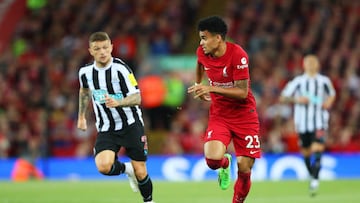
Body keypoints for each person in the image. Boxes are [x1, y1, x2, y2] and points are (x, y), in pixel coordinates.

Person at [187, 16, 261, 203]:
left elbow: (243, 92)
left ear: (218, 38)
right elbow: (199, 63)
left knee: (244, 168)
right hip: (220, 114)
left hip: (244, 115)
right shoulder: (202, 52)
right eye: (200, 38)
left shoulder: (238, 55)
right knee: (212, 160)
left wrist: (211, 88)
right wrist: (198, 84)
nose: (201, 43)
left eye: (204, 38)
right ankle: (225, 163)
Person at [77, 31, 154, 203]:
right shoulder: (85, 72)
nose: (102, 52)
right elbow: (84, 91)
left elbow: (138, 97)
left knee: (141, 171)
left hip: (130, 124)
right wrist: (81, 116)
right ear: (90, 51)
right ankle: (127, 169)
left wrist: (119, 102)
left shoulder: (121, 69)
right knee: (103, 167)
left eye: (105, 47)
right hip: (106, 127)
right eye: (97, 49)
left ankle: (148, 201)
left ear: (111, 47)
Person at [279, 54, 336, 196]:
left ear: (318, 65)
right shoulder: (298, 81)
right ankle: (312, 175)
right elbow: (283, 97)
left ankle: (315, 181)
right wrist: (297, 99)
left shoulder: (324, 81)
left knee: (318, 149)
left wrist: (328, 102)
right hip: (302, 124)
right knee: (306, 153)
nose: (310, 64)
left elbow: (332, 94)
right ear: (303, 65)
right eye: (308, 62)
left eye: (313, 62)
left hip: (319, 122)